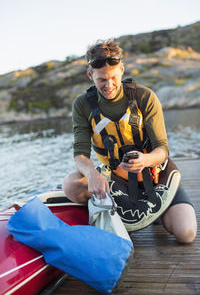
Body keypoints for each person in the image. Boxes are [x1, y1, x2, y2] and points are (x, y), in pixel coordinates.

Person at [62, 39, 197, 243]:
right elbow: (80, 154)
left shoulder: (145, 97)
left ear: (122, 70)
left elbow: (162, 149)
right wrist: (92, 174)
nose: (109, 85)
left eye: (114, 77)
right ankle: (116, 211)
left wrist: (146, 159)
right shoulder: (82, 105)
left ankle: (156, 212)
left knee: (186, 234)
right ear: (90, 75)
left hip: (155, 176)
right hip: (118, 181)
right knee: (71, 184)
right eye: (101, 80)